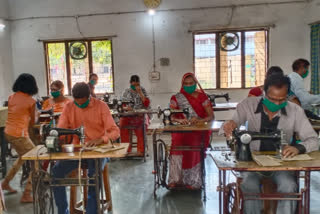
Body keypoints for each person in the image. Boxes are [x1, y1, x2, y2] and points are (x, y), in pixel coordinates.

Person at [223, 73, 319, 214]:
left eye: (281, 100)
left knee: (289, 185)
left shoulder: (295, 110)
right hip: (252, 162)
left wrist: (299, 148)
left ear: (287, 96)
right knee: (249, 185)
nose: (276, 104)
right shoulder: (248, 105)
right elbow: (233, 122)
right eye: (272, 99)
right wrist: (230, 125)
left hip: (282, 163)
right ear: (264, 93)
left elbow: (314, 140)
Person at [52, 82, 120, 214]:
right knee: (56, 171)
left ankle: (91, 211)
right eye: (77, 103)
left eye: (83, 103)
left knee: (93, 176)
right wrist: (56, 139)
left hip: (99, 151)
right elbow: (62, 129)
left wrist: (101, 139)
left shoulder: (101, 106)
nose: (80, 105)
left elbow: (115, 131)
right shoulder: (69, 107)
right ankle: (62, 211)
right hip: (78, 151)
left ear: (89, 97)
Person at [168, 73, 214, 189]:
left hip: (196, 130)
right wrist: (179, 121)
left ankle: (193, 180)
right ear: (182, 84)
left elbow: (211, 116)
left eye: (191, 83)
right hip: (181, 130)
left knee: (194, 146)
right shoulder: (176, 98)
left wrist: (200, 120)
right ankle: (175, 179)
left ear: (195, 84)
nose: (188, 86)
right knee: (176, 146)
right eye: (186, 84)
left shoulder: (203, 98)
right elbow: (171, 116)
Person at [1, 73, 39, 203]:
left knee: (22, 158)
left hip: (8, 132)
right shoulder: (31, 101)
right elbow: (34, 121)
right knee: (37, 159)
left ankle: (5, 183)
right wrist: (37, 114)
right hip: (20, 135)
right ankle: (27, 193)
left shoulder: (11, 97)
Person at [119, 75, 151, 156]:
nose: (135, 86)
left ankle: (141, 150)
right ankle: (126, 149)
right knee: (122, 125)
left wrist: (140, 93)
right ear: (130, 83)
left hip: (140, 115)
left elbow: (147, 104)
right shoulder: (126, 92)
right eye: (134, 85)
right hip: (129, 115)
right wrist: (127, 108)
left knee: (141, 127)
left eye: (137, 85)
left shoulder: (142, 90)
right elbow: (122, 105)